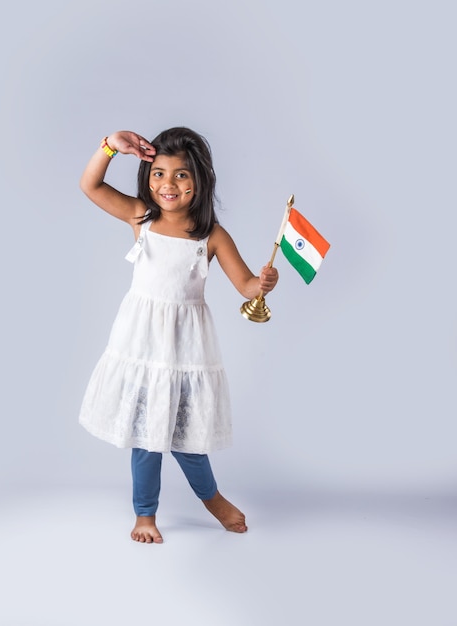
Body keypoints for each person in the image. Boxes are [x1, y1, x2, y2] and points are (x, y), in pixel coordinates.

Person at [79, 128, 278, 544]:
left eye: (181, 175)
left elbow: (244, 285)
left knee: (187, 437)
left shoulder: (212, 236)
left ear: (201, 180)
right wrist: (111, 146)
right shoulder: (141, 218)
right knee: (145, 435)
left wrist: (262, 283)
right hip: (142, 345)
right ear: (147, 177)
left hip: (185, 349)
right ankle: (145, 514)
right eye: (159, 174)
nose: (168, 184)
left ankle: (213, 499)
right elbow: (91, 185)